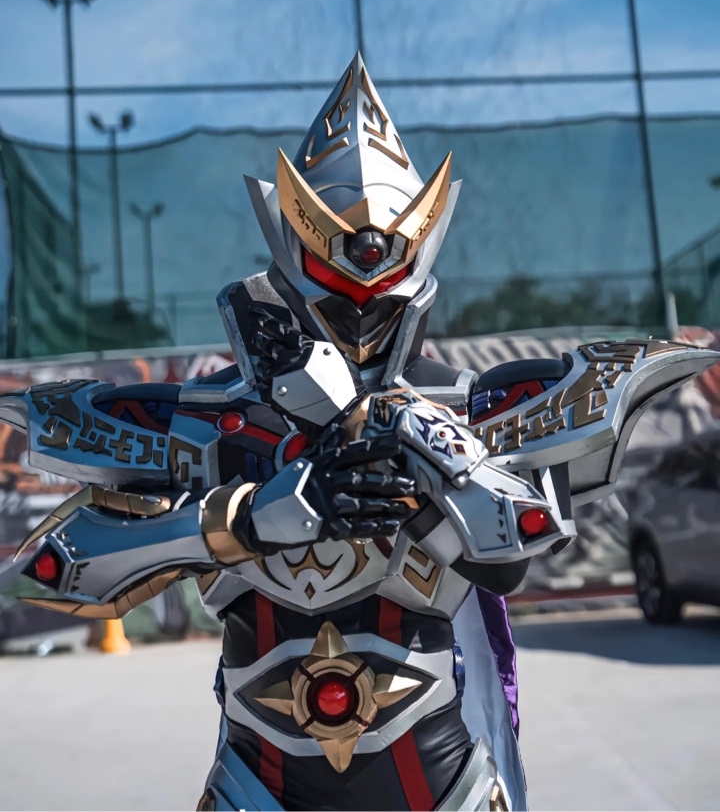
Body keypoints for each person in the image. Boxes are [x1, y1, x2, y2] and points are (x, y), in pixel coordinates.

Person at [5, 54, 717, 812]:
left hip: (439, 781)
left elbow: (515, 551)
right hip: (259, 783)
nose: (361, 306)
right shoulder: (215, 416)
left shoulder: (464, 407)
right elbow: (56, 566)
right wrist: (247, 518)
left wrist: (422, 460)